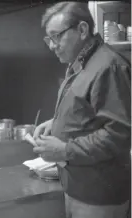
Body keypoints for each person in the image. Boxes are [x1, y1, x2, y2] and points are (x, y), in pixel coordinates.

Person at [33, 2, 131, 218]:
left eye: (56, 36)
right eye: (48, 39)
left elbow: (119, 134)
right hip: (78, 188)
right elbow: (86, 111)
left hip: (99, 196)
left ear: (83, 30)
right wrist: (56, 123)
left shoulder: (108, 66)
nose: (52, 46)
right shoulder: (80, 64)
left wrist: (64, 150)